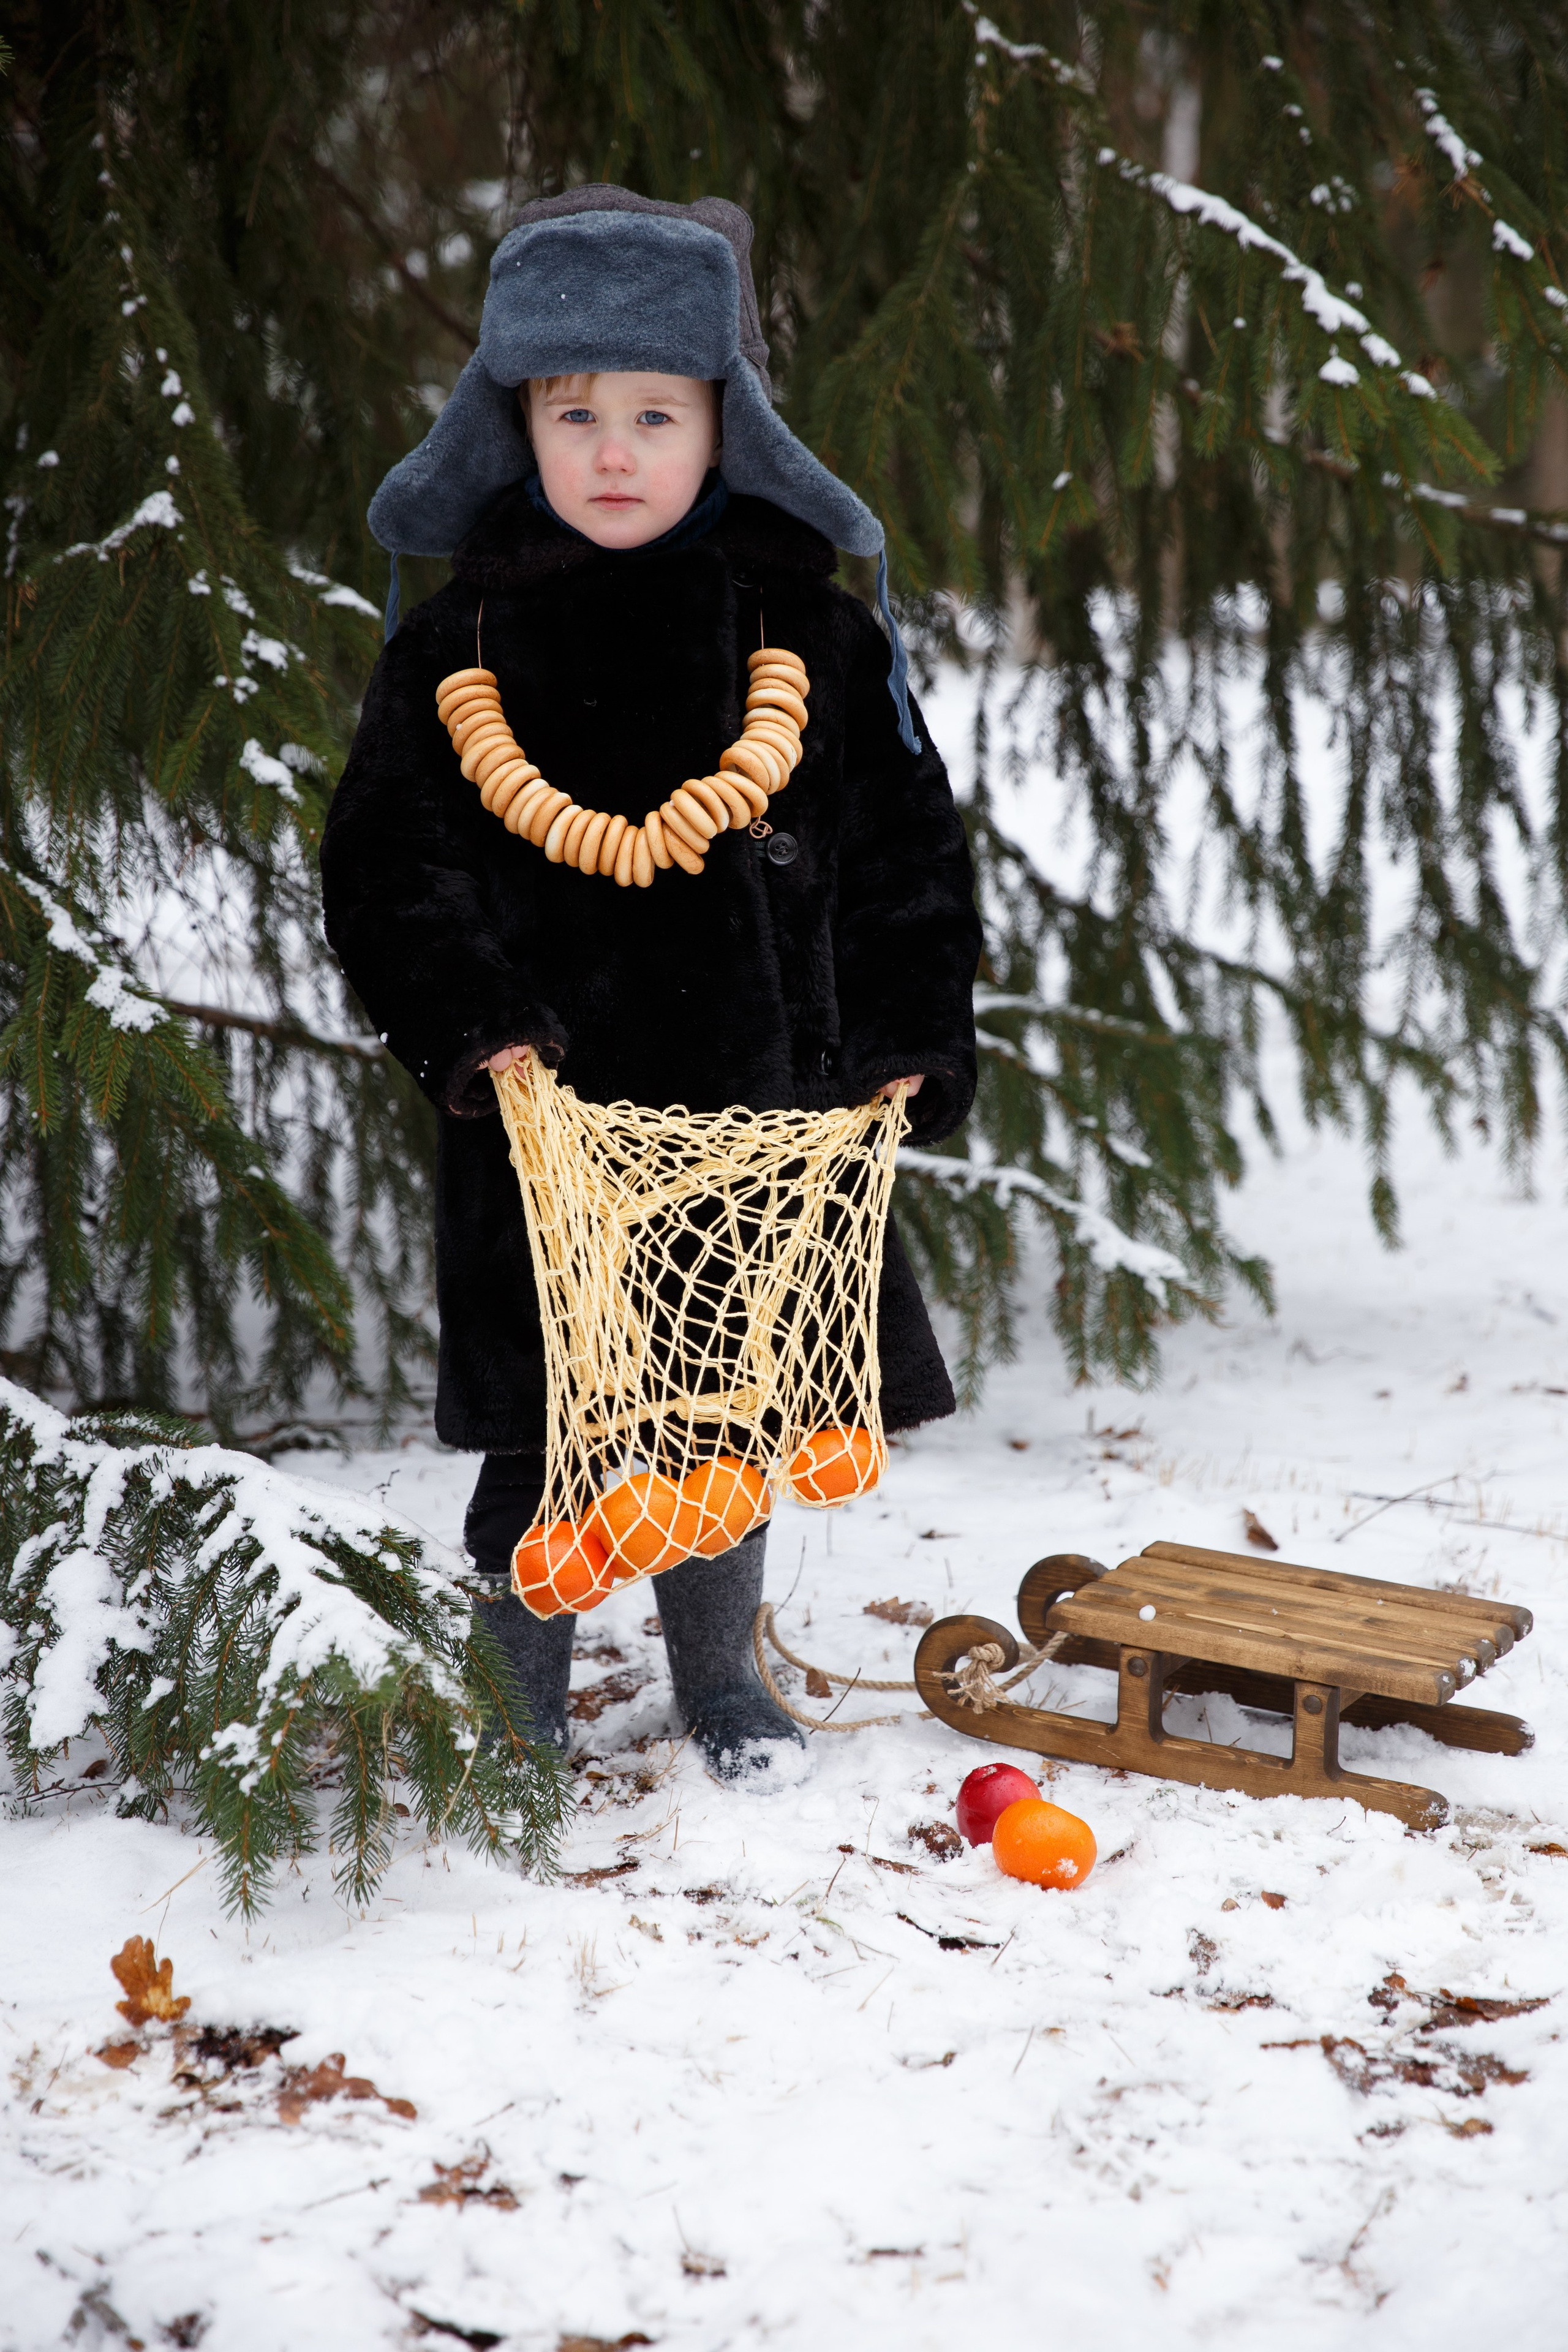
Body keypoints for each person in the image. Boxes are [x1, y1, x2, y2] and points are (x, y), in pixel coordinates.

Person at [320, 187, 980, 1779]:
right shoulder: (458, 647)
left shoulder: (804, 638)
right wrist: (474, 1021)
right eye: (575, 413)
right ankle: (514, 1706)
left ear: (722, 428)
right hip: (543, 1130)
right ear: (518, 426)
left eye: (654, 414)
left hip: (764, 1106)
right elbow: (387, 865)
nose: (614, 450)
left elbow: (907, 857)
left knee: (730, 1416)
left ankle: (723, 1684)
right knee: (547, 1431)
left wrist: (903, 1037)